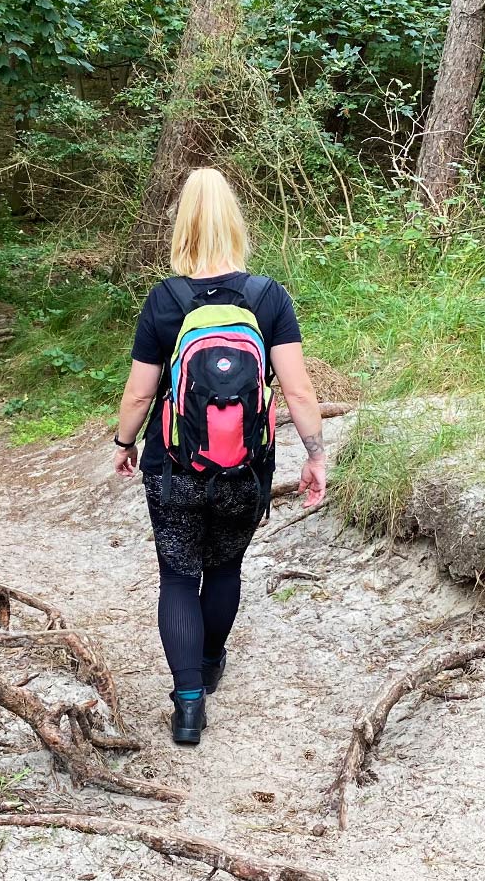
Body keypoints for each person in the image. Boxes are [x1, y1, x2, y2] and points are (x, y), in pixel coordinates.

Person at [112, 167, 327, 745]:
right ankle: (208, 664)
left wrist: (125, 443)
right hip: (247, 467)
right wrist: (315, 455)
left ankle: (188, 706)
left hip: (174, 467)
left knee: (179, 577)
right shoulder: (267, 297)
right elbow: (298, 390)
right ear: (236, 225)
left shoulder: (165, 299)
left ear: (182, 226)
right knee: (225, 569)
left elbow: (139, 394)